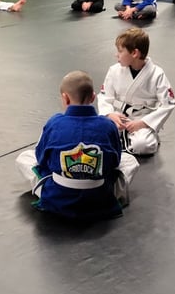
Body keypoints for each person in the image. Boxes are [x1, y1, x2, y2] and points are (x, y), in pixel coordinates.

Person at [15, 70, 140, 220]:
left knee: (25, 158)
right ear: (93, 97)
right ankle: (113, 193)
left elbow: (41, 158)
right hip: (100, 198)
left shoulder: (54, 123)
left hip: (57, 198)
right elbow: (115, 162)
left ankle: (48, 190)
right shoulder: (108, 125)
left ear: (65, 98)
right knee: (129, 160)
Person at [97, 28, 175, 155]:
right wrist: (109, 114)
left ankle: (146, 136)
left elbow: (168, 104)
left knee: (143, 146)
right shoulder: (114, 70)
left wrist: (144, 123)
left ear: (134, 53)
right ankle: (123, 138)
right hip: (118, 116)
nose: (116, 55)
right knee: (98, 137)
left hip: (142, 118)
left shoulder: (157, 74)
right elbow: (104, 97)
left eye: (120, 51)